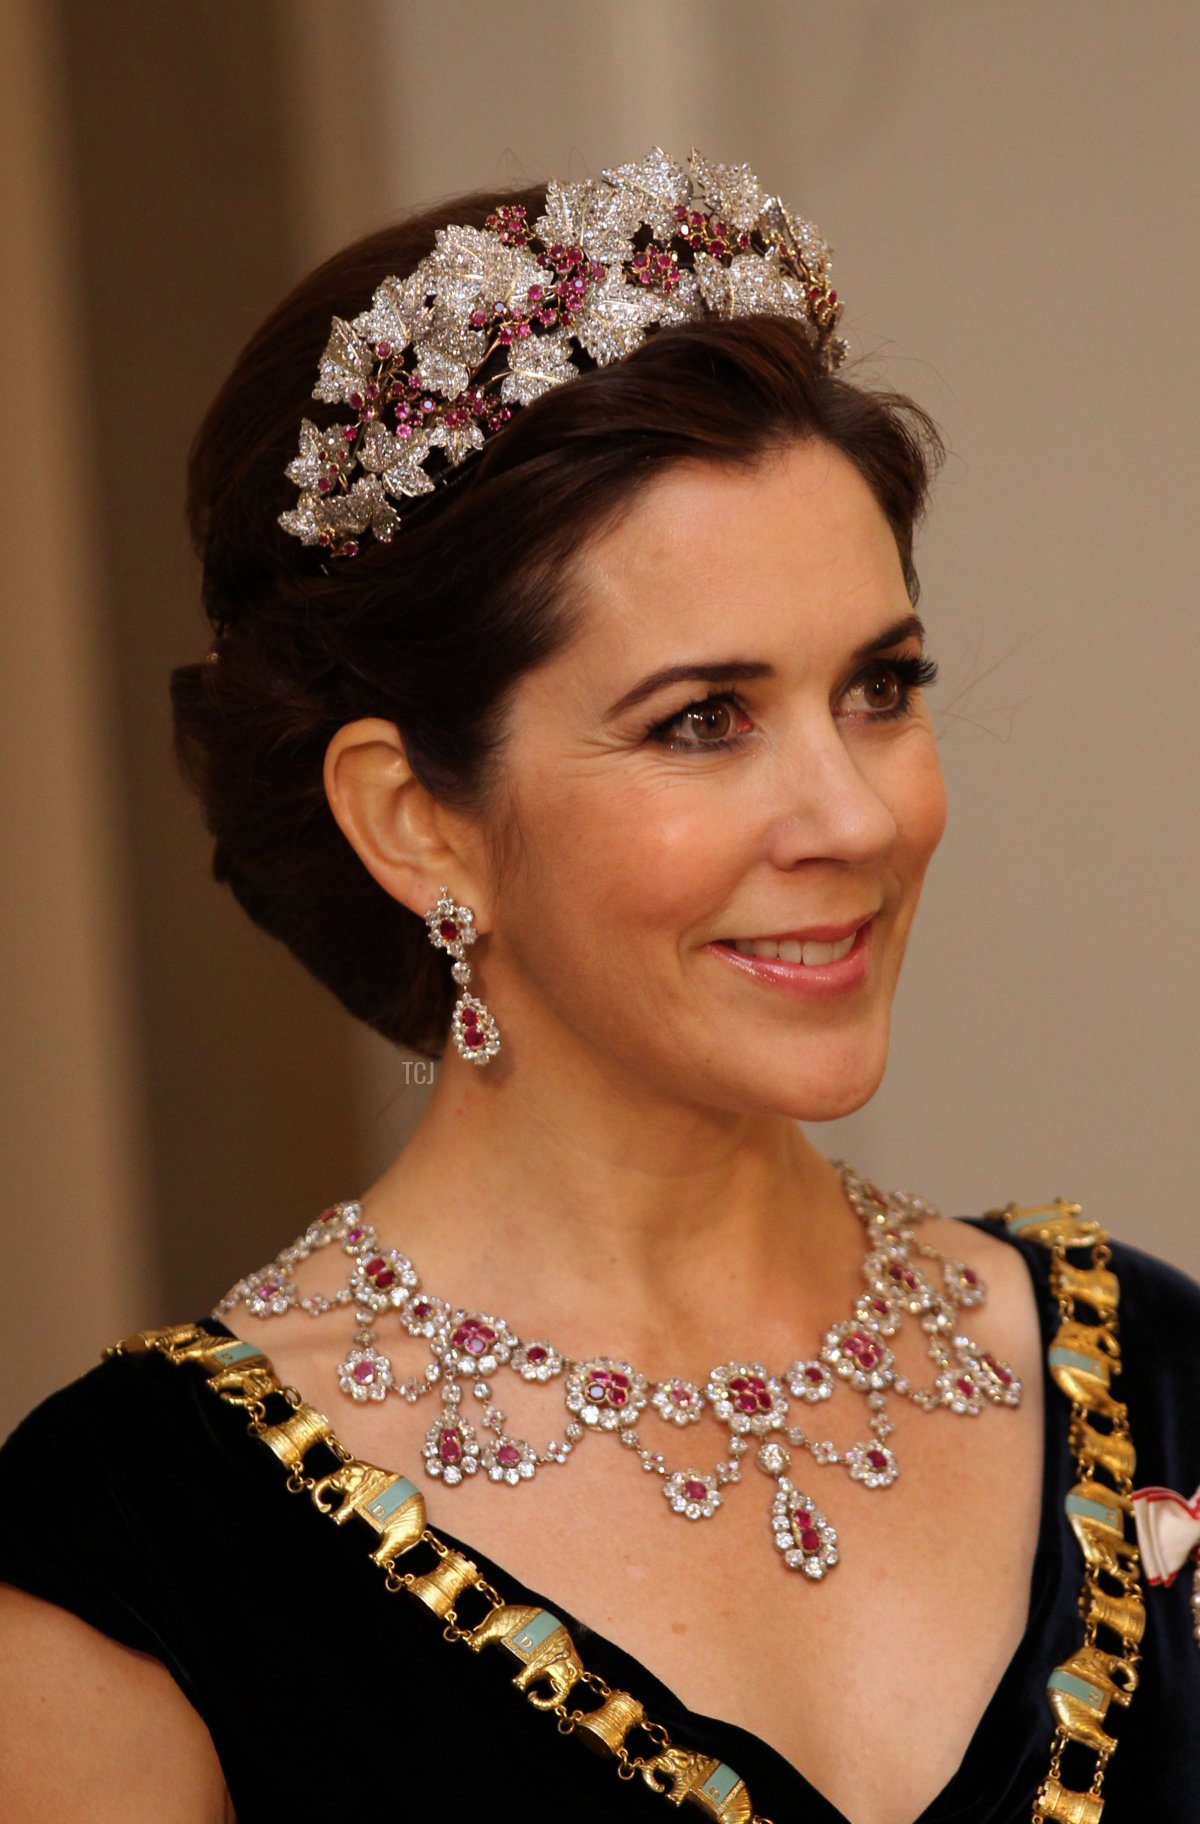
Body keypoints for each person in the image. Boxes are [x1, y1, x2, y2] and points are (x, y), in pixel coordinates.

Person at [1, 148, 1196, 1824]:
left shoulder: (1152, 1376)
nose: (855, 817)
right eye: (704, 719)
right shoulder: (143, 1550)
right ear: (418, 821)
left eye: (881, 687)